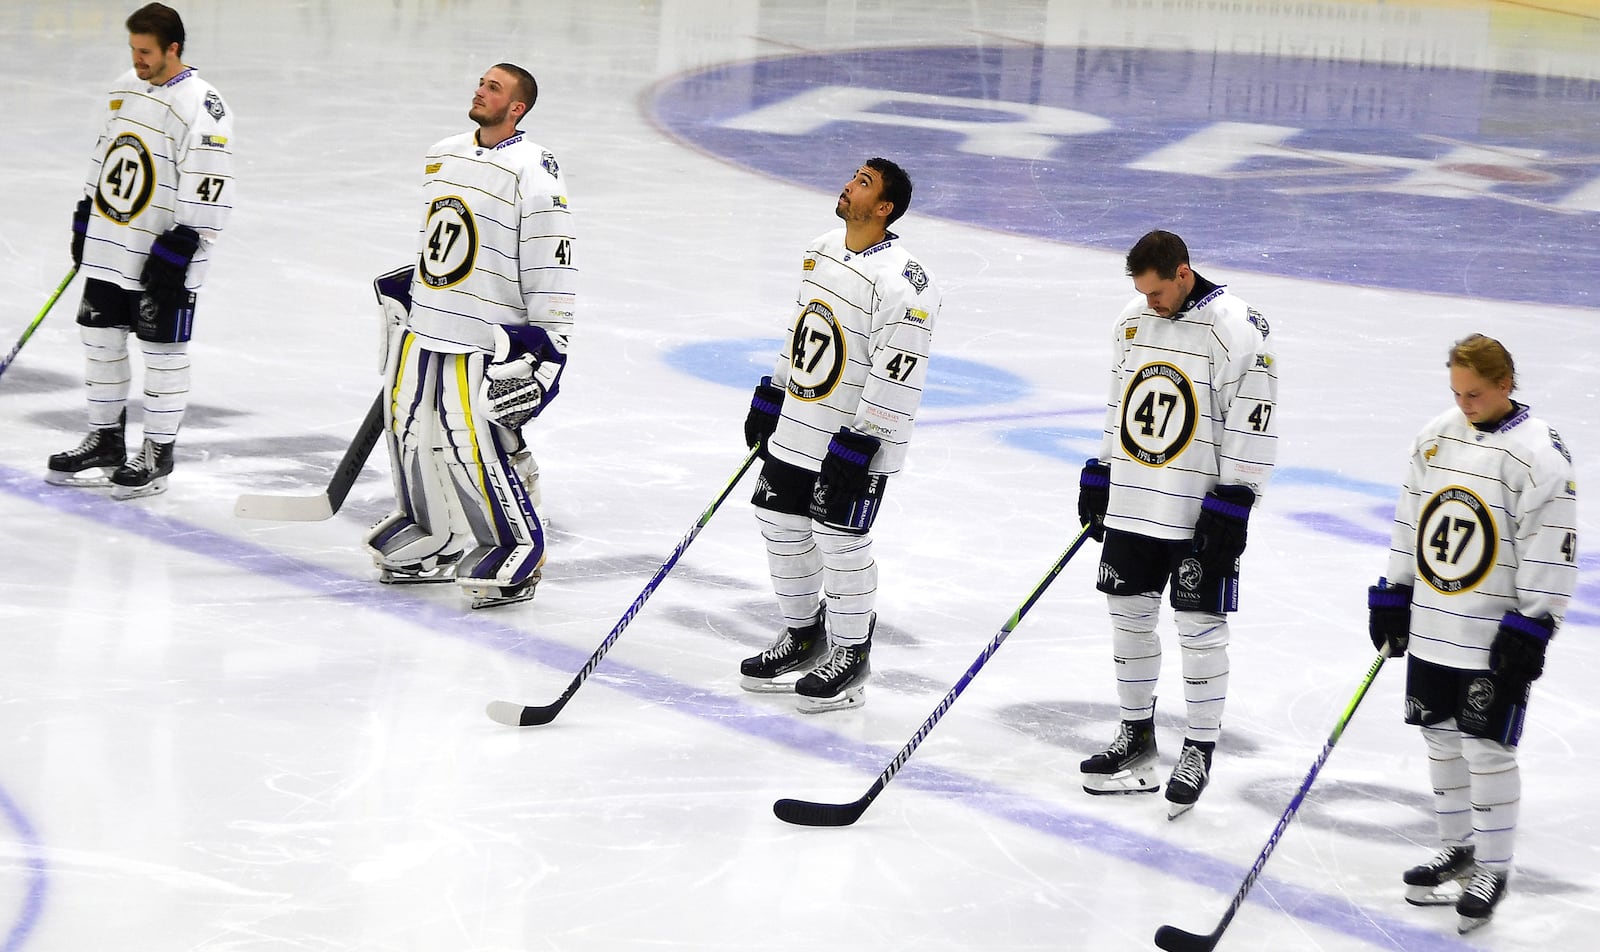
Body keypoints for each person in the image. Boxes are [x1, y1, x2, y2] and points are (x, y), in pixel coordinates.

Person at [1367, 334, 1576, 934]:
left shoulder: (1539, 456)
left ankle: (1494, 867)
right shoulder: (1437, 436)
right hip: (1435, 620)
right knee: (1438, 736)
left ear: (1507, 385)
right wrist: (1395, 590)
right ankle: (1456, 846)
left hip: (1491, 631)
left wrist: (1534, 624)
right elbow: (1411, 516)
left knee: (1487, 748)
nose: (1465, 404)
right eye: (1457, 392)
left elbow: (1552, 547)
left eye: (1476, 393)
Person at [1075, 230, 1278, 817]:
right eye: (1142, 291)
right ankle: (1136, 737)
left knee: (1199, 630)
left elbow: (1255, 420)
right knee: (1129, 622)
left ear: (1183, 272)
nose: (1151, 302)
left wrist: (1237, 499)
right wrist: (1102, 470)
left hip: (1198, 511)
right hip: (1136, 499)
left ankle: (1199, 747)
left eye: (1158, 291)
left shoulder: (1238, 328)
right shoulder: (1132, 321)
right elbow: (1119, 401)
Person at [363, 63, 576, 610]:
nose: (480, 91)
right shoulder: (445, 152)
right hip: (425, 326)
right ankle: (430, 532)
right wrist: (410, 293)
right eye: (482, 83)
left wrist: (548, 349)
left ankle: (514, 546)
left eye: (494, 88)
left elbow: (551, 267)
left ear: (517, 108)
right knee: (406, 429)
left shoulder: (535, 172)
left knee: (470, 447)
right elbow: (436, 235)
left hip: (480, 339)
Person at [738, 159, 940, 713]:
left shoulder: (905, 283)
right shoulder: (822, 247)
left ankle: (851, 653)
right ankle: (804, 635)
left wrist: (862, 442)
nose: (849, 184)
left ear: (884, 209)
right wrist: (773, 392)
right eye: (855, 176)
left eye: (864, 183)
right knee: (777, 521)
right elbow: (802, 323)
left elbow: (899, 372)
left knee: (839, 538)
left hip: (852, 439)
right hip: (801, 419)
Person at [46, 2, 234, 499]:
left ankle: (157, 455)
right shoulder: (125, 87)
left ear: (174, 48)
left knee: (163, 354)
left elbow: (212, 181)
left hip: (161, 258)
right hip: (112, 241)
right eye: (132, 49)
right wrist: (86, 210)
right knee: (100, 342)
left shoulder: (202, 104)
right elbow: (106, 149)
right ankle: (106, 441)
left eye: (146, 51)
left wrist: (183, 245)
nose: (137, 60)